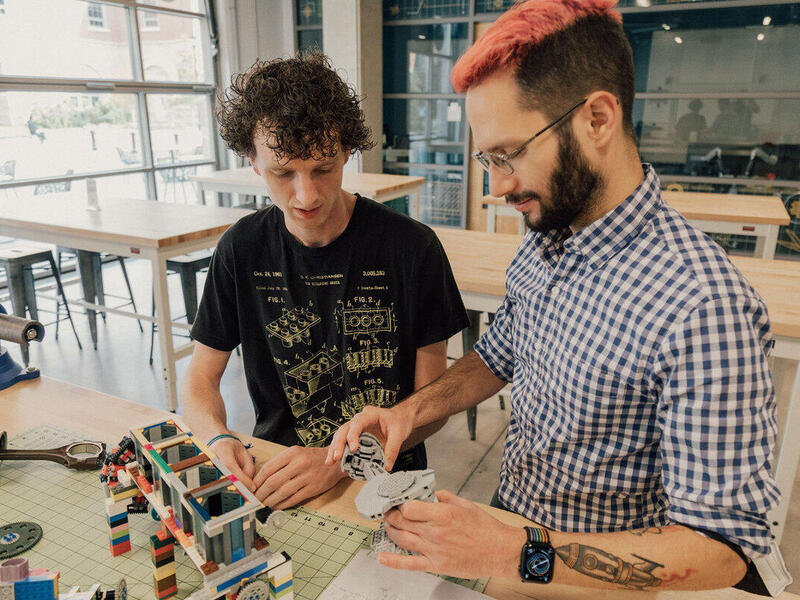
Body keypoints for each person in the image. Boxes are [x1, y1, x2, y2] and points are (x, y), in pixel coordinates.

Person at [327, 0, 780, 592]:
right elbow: (500, 355)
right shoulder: (547, 238)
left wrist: (516, 552)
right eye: (487, 158)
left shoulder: (703, 306)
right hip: (510, 524)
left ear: (597, 119)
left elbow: (721, 548)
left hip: (588, 578)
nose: (497, 185)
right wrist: (408, 413)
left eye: (510, 154)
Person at [182, 52, 469, 511]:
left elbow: (431, 406)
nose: (307, 194)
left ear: (347, 151)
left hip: (388, 478)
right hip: (278, 472)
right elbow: (200, 377)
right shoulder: (242, 248)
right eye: (282, 172)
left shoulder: (412, 248)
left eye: (323, 167)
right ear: (253, 161)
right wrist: (217, 437)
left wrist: (340, 461)